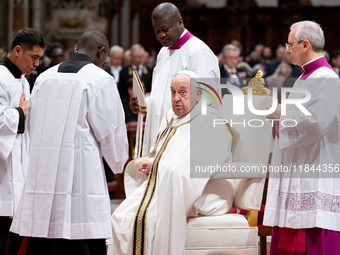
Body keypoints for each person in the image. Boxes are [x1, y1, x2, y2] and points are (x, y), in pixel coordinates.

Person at [10, 30, 129, 255]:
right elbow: (111, 133)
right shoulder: (100, 80)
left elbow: (32, 128)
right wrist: (120, 164)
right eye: (104, 60)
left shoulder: (45, 77)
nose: (104, 64)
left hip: (43, 179)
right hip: (81, 181)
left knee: (44, 240)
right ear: (101, 52)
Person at [108, 70, 234, 255]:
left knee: (149, 221)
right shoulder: (172, 117)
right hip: (167, 184)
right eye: (173, 92)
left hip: (206, 191)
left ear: (198, 94)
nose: (176, 98)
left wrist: (159, 165)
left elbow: (198, 165)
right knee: (119, 218)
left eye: (183, 92)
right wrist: (154, 162)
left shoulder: (211, 121)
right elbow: (166, 153)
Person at [264, 21, 340, 255]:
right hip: (298, 168)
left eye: (290, 45)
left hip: (314, 172)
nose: (287, 50)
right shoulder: (304, 79)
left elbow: (315, 123)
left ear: (305, 44)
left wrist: (278, 111)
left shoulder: (327, 79)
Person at [130, 2, 220, 156]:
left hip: (183, 138)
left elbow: (207, 101)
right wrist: (144, 103)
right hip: (160, 133)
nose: (160, 35)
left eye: (165, 29)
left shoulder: (198, 52)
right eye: (156, 31)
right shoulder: (163, 53)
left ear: (179, 22)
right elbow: (161, 95)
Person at [0, 27, 45, 255]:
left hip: (20, 162)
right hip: (3, 168)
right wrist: (20, 111)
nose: (37, 64)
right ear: (18, 50)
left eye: (39, 58)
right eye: (34, 57)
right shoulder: (0, 77)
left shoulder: (24, 81)